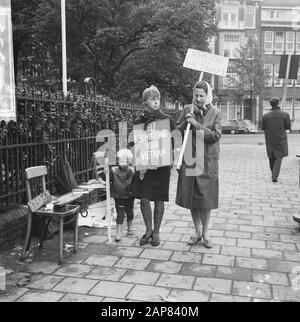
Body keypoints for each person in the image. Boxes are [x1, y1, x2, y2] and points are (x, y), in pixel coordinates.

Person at [176, 81, 222, 248]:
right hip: (190, 159)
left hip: (207, 161)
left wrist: (196, 124)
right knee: (192, 197)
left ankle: (206, 233)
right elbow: (178, 130)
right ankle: (196, 232)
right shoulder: (188, 109)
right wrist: (186, 121)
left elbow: (215, 136)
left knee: (205, 199)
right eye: (196, 95)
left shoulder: (216, 112)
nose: (198, 98)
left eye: (201, 95)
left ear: (207, 95)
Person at [132, 85, 174, 247]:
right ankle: (148, 230)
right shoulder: (138, 121)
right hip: (144, 166)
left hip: (161, 166)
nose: (156, 102)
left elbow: (172, 141)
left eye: (158, 99)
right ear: (145, 102)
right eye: (152, 99)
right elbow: (135, 144)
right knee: (144, 198)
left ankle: (156, 232)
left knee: (158, 198)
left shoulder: (167, 120)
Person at [101, 149, 135, 242]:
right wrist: (105, 173)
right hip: (118, 195)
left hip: (130, 195)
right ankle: (118, 232)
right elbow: (106, 179)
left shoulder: (132, 170)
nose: (124, 163)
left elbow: (136, 182)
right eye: (121, 161)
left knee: (130, 211)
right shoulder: (113, 171)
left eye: (126, 161)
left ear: (129, 161)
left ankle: (130, 229)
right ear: (118, 161)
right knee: (120, 213)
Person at [261, 97, 291, 183]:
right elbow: (288, 126)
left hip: (270, 138)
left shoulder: (265, 116)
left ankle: (273, 172)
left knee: (271, 156)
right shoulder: (285, 115)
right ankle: (275, 175)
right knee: (279, 157)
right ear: (278, 104)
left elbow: (263, 127)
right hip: (281, 138)